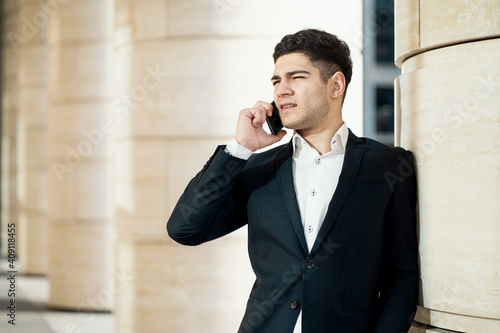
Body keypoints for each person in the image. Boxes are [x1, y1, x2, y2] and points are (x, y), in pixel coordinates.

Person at [167, 29, 418, 333]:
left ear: (335, 85)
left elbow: (400, 277)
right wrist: (240, 148)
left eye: (296, 77)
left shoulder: (387, 165)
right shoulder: (260, 170)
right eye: (276, 81)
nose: (280, 90)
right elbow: (185, 229)